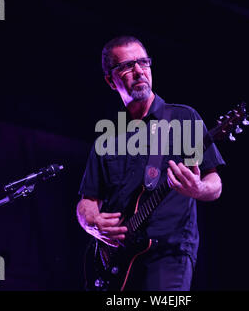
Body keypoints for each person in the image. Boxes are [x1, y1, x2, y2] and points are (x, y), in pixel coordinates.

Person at [76, 36, 225, 291]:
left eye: (143, 62)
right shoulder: (107, 136)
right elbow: (87, 202)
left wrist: (198, 188)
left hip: (170, 253)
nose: (138, 71)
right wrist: (92, 223)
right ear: (110, 81)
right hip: (116, 259)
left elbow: (215, 182)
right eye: (126, 66)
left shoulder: (182, 117)